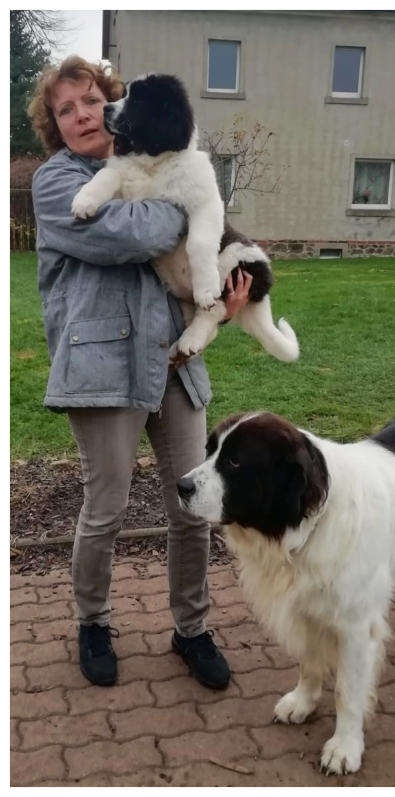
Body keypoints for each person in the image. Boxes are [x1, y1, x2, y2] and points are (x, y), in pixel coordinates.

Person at [28, 55, 252, 688]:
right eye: (65, 109)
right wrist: (193, 201)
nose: (82, 116)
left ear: (113, 105)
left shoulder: (150, 165)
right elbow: (130, 236)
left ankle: (192, 629)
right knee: (106, 509)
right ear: (54, 125)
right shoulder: (56, 183)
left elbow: (191, 267)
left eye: (90, 101)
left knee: (193, 508)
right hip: (100, 367)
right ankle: (93, 622)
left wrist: (221, 306)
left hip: (172, 362)